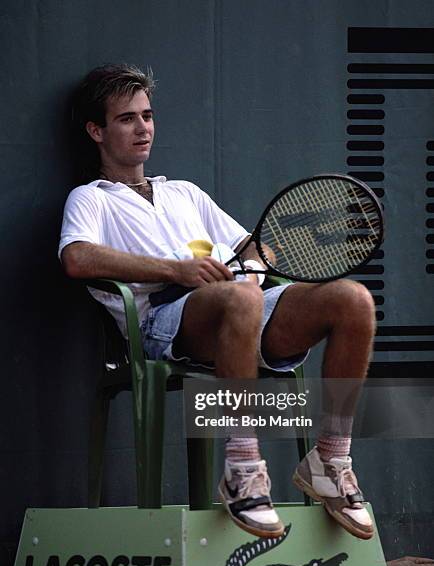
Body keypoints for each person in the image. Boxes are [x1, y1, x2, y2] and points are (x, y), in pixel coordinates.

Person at [59, 64, 376, 540]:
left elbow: (251, 246)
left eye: (147, 115)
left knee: (353, 300)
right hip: (161, 325)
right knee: (241, 298)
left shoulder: (183, 192)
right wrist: (177, 271)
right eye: (126, 118)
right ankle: (243, 469)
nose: (143, 127)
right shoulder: (91, 198)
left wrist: (254, 260)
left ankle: (331, 460)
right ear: (96, 131)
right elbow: (77, 257)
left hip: (238, 308)